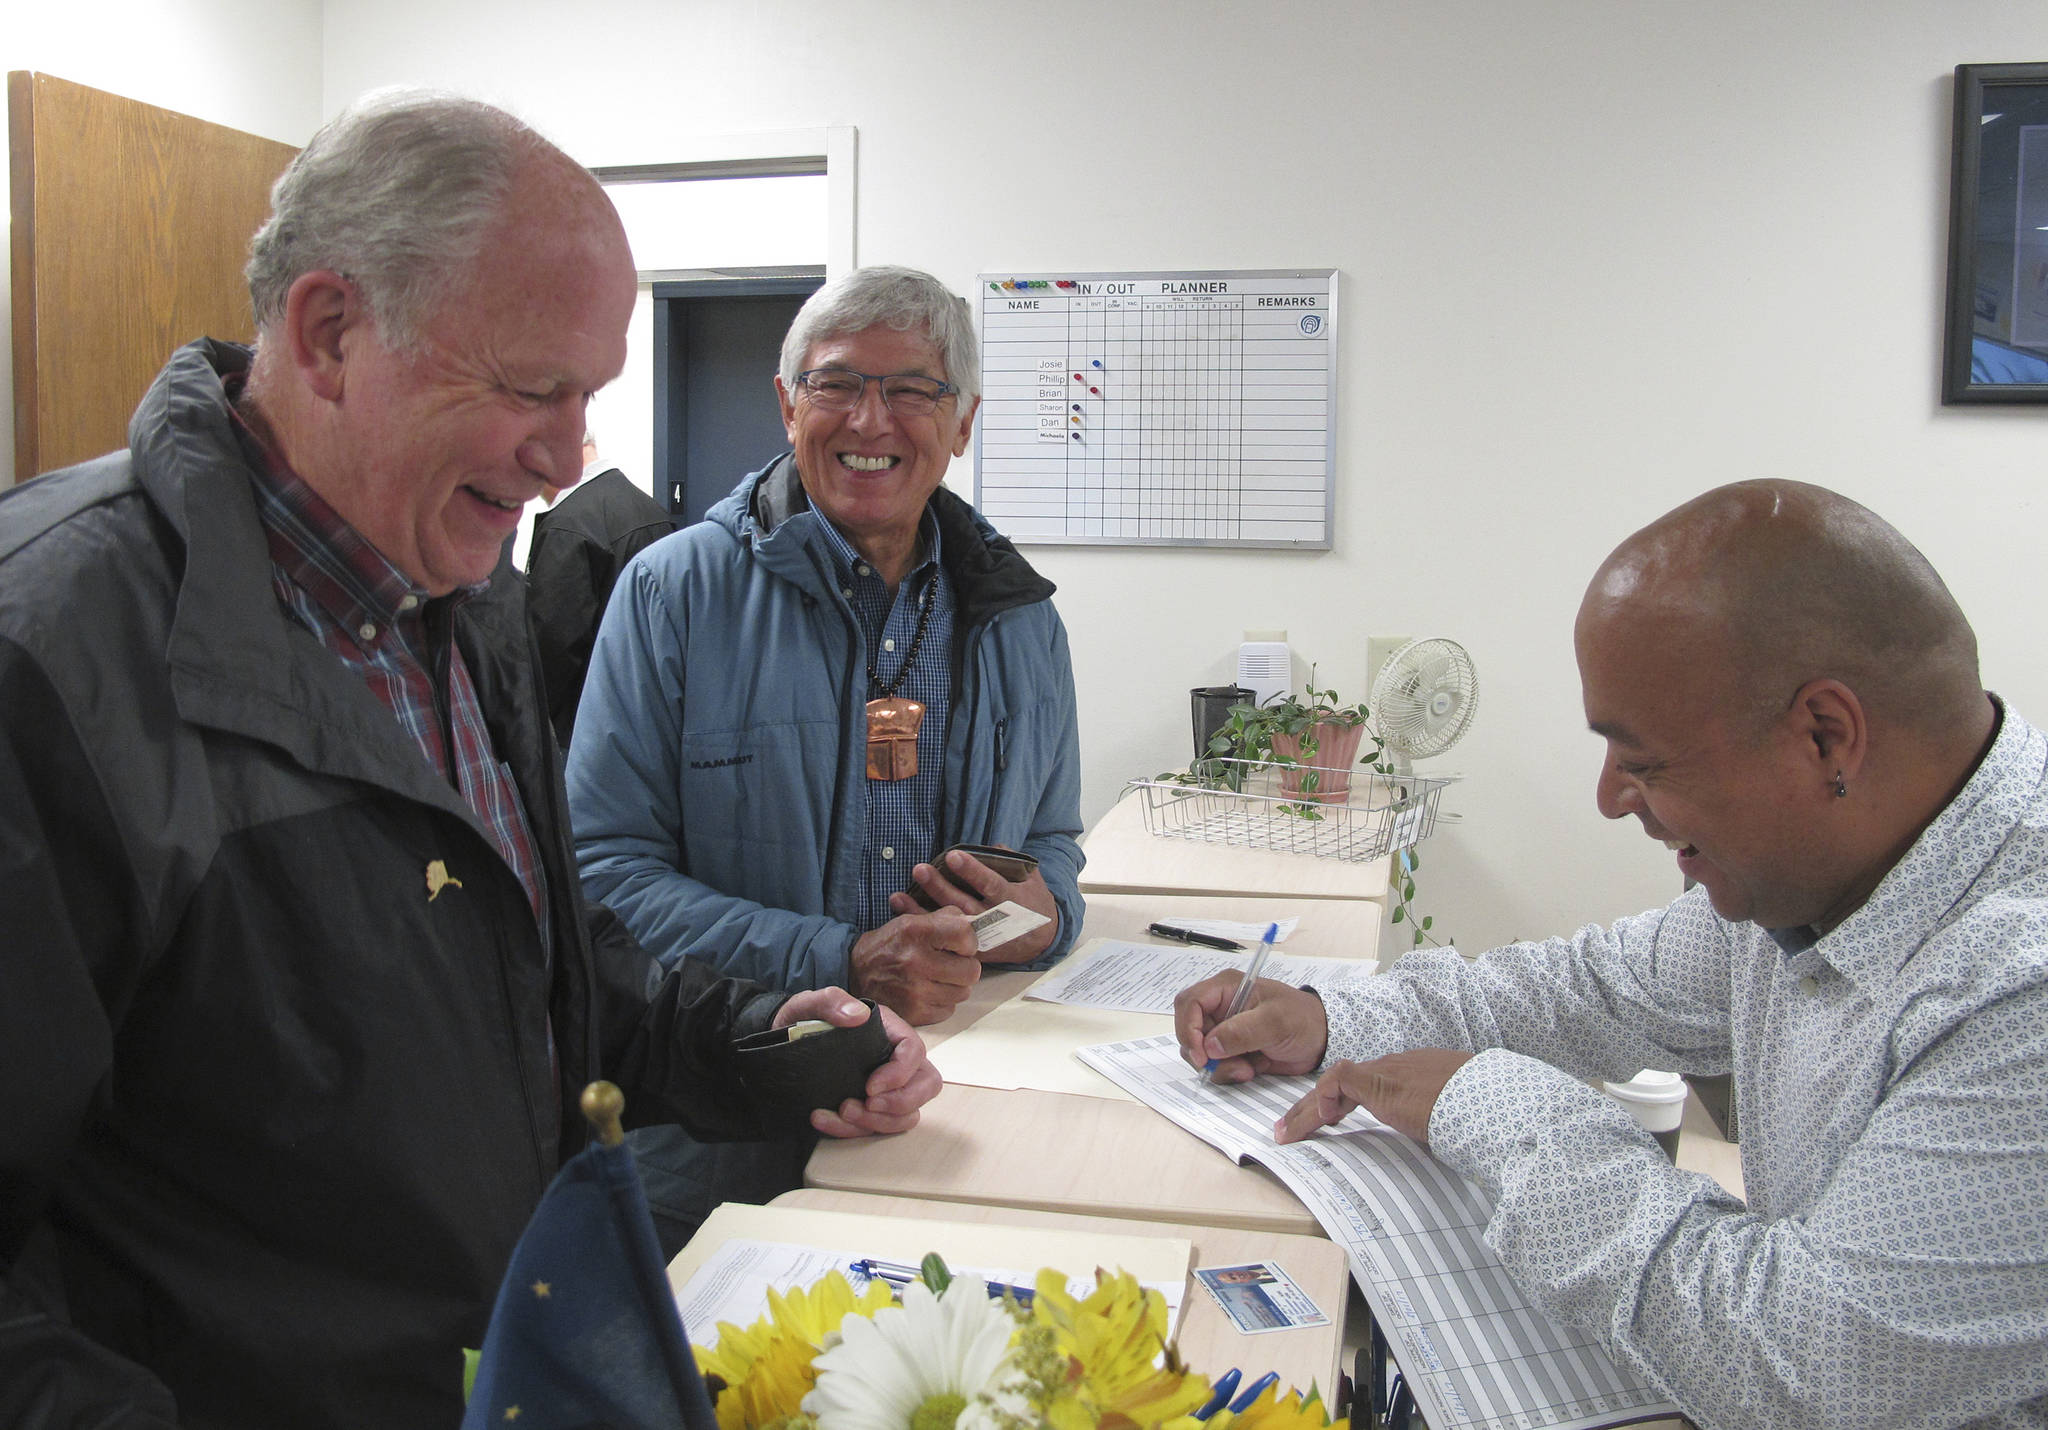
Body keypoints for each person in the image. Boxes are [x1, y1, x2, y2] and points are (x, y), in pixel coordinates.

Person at [0, 91, 937, 1430]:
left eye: (590, 397)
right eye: (530, 389)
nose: (569, 462)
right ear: (332, 334)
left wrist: (752, 1036)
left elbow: (532, 975)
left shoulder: (454, 591)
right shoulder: (49, 655)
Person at [1176, 480, 2048, 1429]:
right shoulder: (1820, 874)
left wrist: (1494, 1104)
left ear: (1825, 735)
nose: (1609, 799)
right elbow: (1593, 989)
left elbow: (1812, 1370)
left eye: (1643, 761)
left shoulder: (2022, 982)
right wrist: (1334, 1019)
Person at [568, 265, 1084, 1240]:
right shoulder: (671, 594)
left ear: (962, 419)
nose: (869, 420)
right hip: (715, 1124)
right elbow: (601, 875)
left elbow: (1053, 836)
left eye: (912, 390)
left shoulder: (1022, 618)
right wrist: (840, 959)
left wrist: (1041, 913)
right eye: (836, 383)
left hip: (950, 1102)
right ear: (785, 402)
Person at [525, 431, 678, 744]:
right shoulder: (650, 510)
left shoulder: (567, 527)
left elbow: (552, 649)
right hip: (649, 723)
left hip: (586, 733)